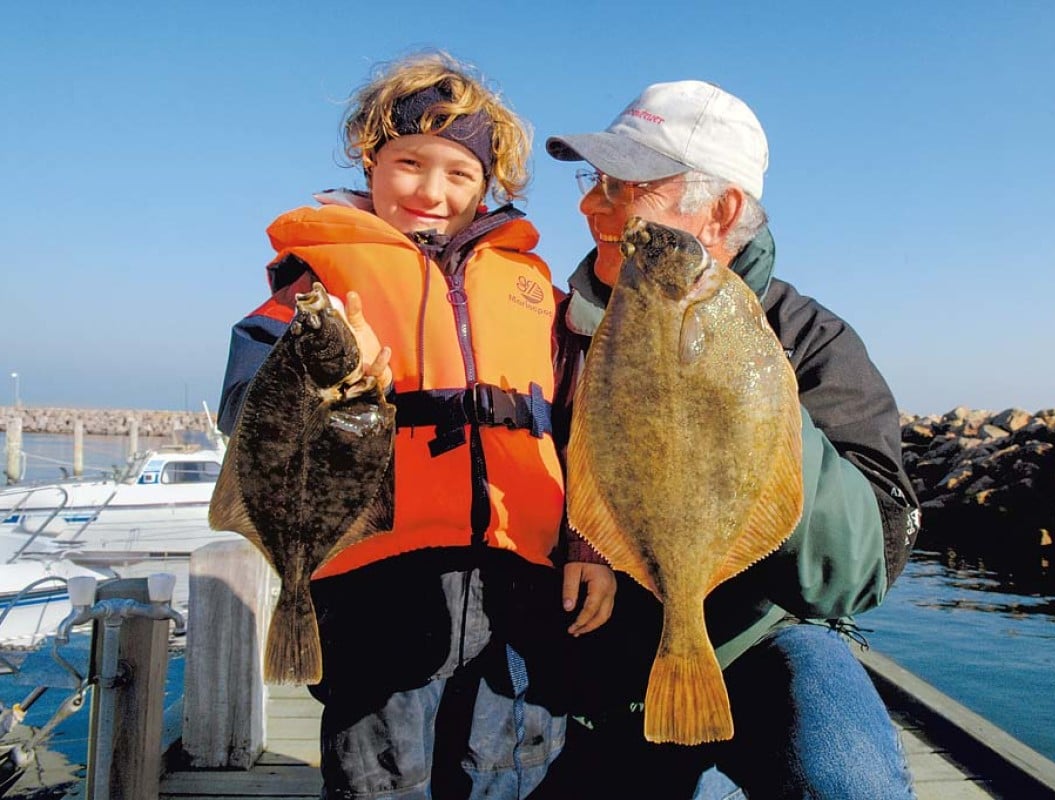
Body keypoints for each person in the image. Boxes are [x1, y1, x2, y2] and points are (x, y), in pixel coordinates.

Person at [216, 52, 615, 799]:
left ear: (487, 185)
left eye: (459, 173)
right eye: (409, 163)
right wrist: (322, 374)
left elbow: (581, 430)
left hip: (519, 591)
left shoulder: (535, 290)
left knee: (509, 774)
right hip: (373, 582)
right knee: (380, 779)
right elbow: (243, 405)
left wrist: (587, 543)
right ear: (371, 158)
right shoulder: (317, 284)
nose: (432, 191)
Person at [536, 80, 922, 798]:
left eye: (625, 188)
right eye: (596, 182)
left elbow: (855, 574)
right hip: (594, 648)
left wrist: (751, 389)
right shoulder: (550, 331)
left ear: (721, 211)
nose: (590, 205)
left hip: (767, 637)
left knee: (850, 782)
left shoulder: (810, 341)